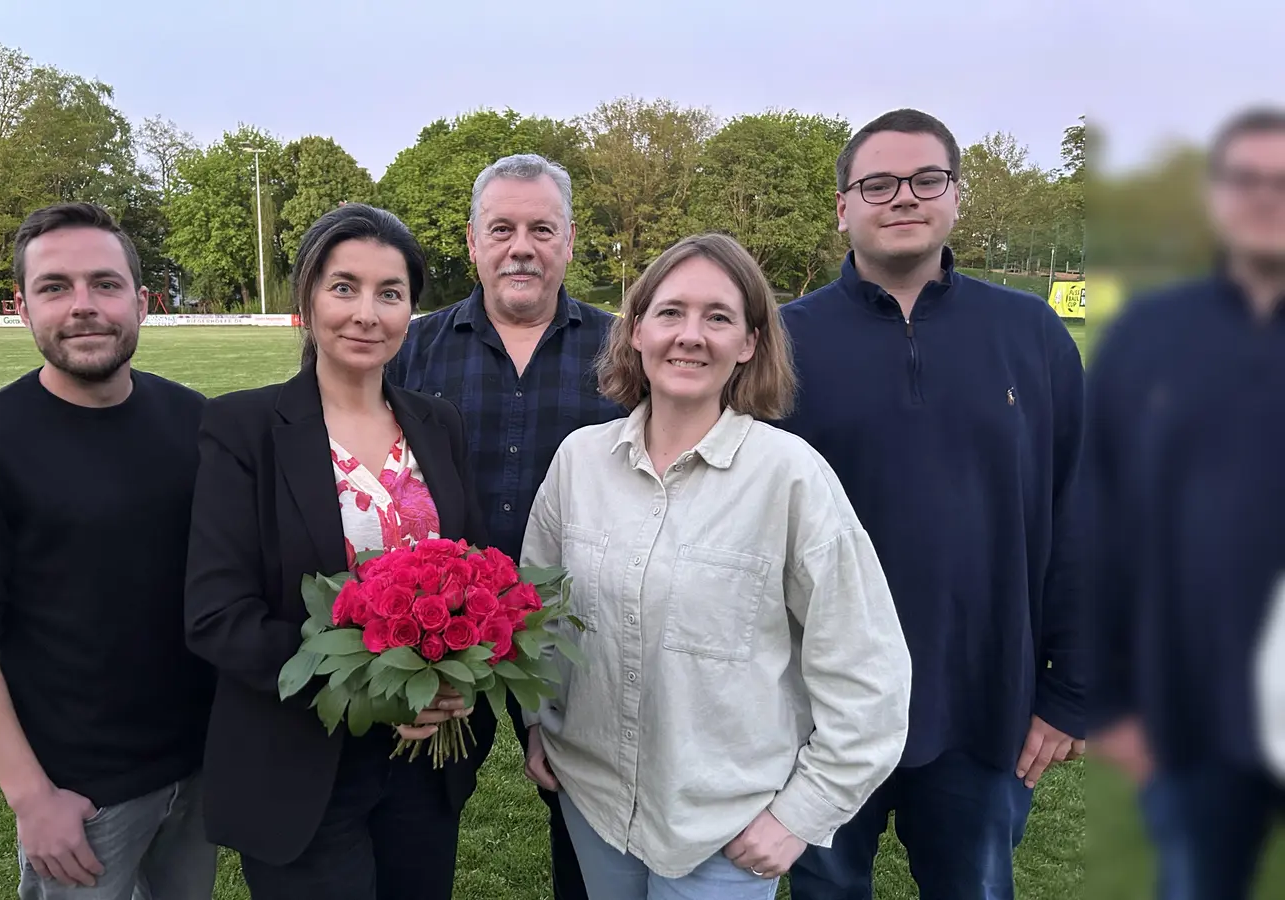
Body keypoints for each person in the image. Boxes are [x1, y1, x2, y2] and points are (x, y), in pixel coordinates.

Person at [516, 232, 912, 899]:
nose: (690, 335)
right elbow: (540, 617)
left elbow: (869, 671)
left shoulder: (790, 478)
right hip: (596, 802)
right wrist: (539, 723)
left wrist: (801, 813)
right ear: (636, 329)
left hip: (724, 830)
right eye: (670, 312)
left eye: (718, 317)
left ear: (750, 342)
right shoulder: (578, 462)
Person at [776, 108, 1088, 900]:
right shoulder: (780, 343)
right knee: (825, 891)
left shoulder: (1033, 333)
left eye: (926, 179)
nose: (903, 198)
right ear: (844, 206)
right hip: (821, 706)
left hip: (983, 701)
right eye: (877, 183)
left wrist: (1070, 690)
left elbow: (1083, 512)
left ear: (956, 196)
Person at [183, 203, 494, 900]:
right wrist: (380, 691)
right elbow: (217, 615)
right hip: (299, 764)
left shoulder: (437, 424)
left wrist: (458, 671)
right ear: (308, 299)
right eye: (344, 287)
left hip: (424, 766)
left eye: (390, 293)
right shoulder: (244, 428)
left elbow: (475, 575)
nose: (366, 313)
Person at [0, 202, 217, 900]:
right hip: (81, 797)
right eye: (56, 287)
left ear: (140, 302)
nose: (84, 306)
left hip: (200, 771)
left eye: (105, 284)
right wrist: (30, 798)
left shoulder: (196, 421)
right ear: (23, 307)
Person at [386, 153, 626, 900]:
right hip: (435, 634)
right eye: (503, 229)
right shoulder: (411, 347)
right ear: (472, 241)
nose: (521, 246)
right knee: (415, 821)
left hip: (579, 628)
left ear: (570, 240)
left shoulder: (626, 351)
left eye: (540, 229)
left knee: (589, 836)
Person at [1088, 105, 1285, 900]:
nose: (1265, 197)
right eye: (1245, 179)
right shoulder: (1149, 336)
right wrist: (1108, 701)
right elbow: (1097, 520)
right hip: (1191, 714)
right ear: (1214, 195)